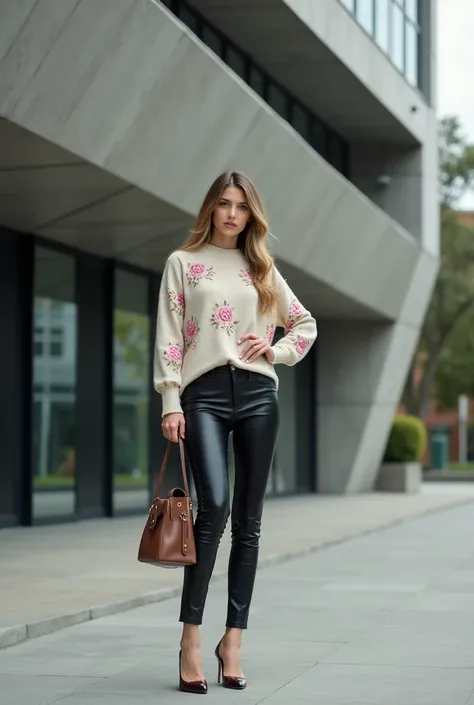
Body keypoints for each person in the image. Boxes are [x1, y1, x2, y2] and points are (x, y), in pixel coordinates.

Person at [154, 171, 317, 694]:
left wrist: (276, 350)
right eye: (224, 203)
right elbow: (170, 336)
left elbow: (305, 325)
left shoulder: (262, 267)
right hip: (202, 395)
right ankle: (191, 639)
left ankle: (234, 641)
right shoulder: (183, 264)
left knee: (249, 522)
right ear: (211, 208)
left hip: (256, 396)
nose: (231, 213)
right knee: (214, 509)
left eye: (241, 206)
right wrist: (170, 400)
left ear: (251, 214)